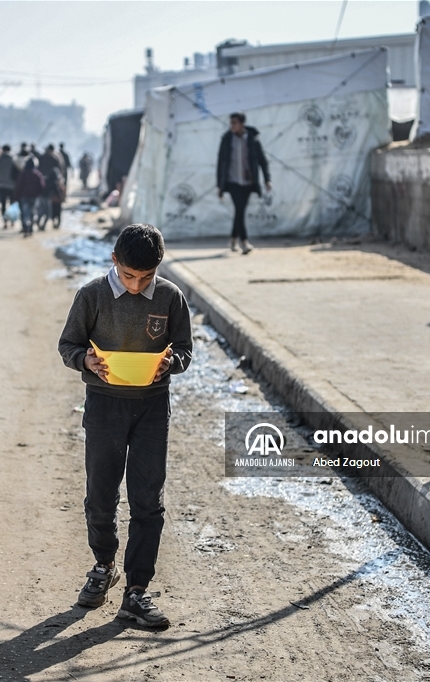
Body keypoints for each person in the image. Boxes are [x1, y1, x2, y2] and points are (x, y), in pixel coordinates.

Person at [58, 223, 193, 629]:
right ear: (114, 261)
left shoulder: (171, 297)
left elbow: (184, 348)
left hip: (152, 409)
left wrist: (172, 363)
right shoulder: (92, 295)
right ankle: (103, 566)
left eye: (146, 277)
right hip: (104, 406)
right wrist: (87, 361)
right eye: (130, 276)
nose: (137, 286)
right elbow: (69, 345)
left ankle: (137, 590)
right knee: (100, 494)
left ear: (158, 269)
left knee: (147, 500)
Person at [216, 112, 271, 254]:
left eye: (235, 123)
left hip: (248, 182)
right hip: (232, 181)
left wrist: (267, 179)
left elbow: (262, 160)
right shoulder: (227, 140)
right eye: (231, 123)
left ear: (242, 124)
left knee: (240, 211)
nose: (232, 126)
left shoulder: (253, 140)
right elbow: (221, 162)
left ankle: (233, 238)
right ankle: (244, 241)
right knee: (240, 209)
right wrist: (220, 186)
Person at [14, 157, 45, 237]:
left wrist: (16, 196)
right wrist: (38, 194)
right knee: (32, 212)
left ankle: (26, 228)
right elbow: (42, 186)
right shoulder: (37, 174)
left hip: (24, 196)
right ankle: (30, 229)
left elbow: (19, 186)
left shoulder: (23, 174)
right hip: (34, 197)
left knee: (25, 213)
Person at [0, 144, 19, 228]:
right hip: (12, 186)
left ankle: (5, 222)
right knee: (12, 204)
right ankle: (12, 221)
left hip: (2, 185)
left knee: (3, 205)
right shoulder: (14, 159)